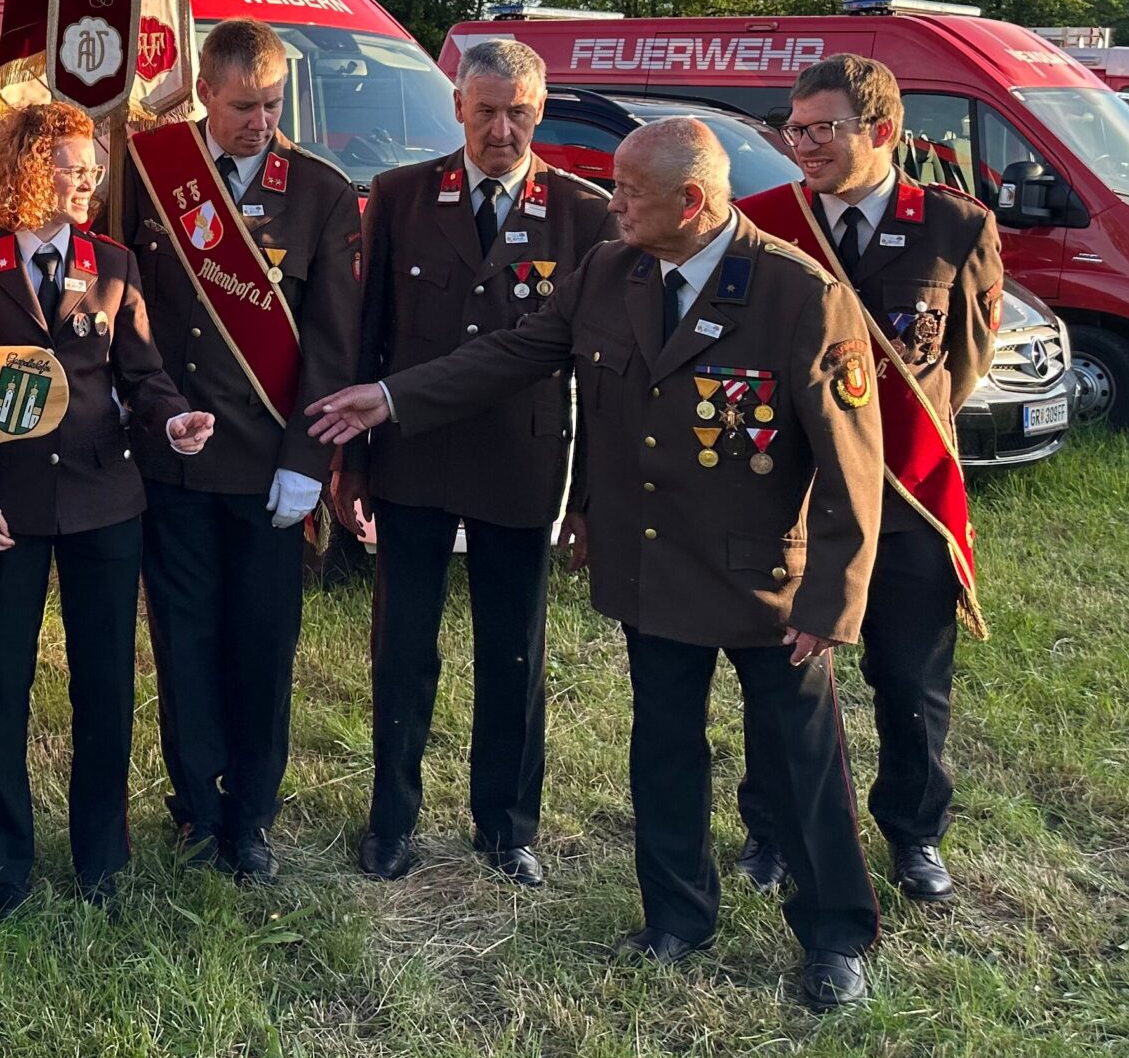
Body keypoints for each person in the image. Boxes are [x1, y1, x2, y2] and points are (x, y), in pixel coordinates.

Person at [309, 119, 887, 1011]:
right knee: (662, 748)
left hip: (763, 582)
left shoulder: (796, 294)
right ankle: (678, 918)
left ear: (691, 204)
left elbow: (853, 463)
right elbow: (508, 355)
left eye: (629, 194)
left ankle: (836, 933)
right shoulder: (612, 273)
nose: (609, 205)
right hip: (652, 567)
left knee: (799, 758)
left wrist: (833, 597)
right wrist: (388, 398)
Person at [334, 37, 614, 887]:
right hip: (414, 456)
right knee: (404, 649)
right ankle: (392, 821)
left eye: (519, 111)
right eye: (486, 109)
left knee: (514, 653)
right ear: (457, 106)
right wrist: (350, 468)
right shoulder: (402, 195)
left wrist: (592, 497)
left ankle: (506, 827)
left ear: (541, 109)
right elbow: (367, 335)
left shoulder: (583, 213)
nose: (502, 129)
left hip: (517, 460)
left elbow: (597, 372)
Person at [733, 53, 1002, 905]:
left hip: (905, 495)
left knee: (910, 676)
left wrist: (885, 446)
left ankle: (915, 833)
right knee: (782, 675)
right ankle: (771, 827)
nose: (800, 145)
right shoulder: (765, 217)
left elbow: (961, 362)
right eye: (793, 127)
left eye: (822, 130)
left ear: (881, 131)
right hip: (794, 496)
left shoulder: (956, 226)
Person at [0, 100, 212, 917]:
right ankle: (4, 866)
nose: (88, 176)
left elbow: (143, 374)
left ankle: (102, 862)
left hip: (103, 500)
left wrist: (173, 418)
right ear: (25, 170)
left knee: (102, 687)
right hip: (3, 507)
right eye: (69, 163)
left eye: (92, 164)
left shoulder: (114, 261)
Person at [131, 18, 362, 883]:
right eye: (239, 107)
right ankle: (194, 805)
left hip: (271, 467)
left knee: (263, 646)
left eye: (270, 105)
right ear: (204, 93)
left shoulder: (319, 191)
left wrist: (311, 460)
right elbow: (135, 314)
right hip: (175, 459)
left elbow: (332, 346)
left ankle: (252, 817)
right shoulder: (157, 172)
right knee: (184, 641)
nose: (258, 123)